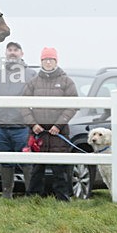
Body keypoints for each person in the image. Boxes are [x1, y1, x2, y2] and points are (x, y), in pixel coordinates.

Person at [21, 47, 78, 201]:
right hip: (38, 132)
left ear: (56, 61)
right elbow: (23, 105)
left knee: (60, 168)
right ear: (41, 61)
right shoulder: (33, 82)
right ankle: (33, 198)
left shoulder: (66, 81)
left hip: (58, 133)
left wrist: (58, 125)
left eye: (50, 59)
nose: (47, 62)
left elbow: (73, 105)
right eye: (45, 59)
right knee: (37, 168)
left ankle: (63, 199)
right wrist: (33, 125)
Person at [0, 41, 36, 198]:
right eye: (10, 50)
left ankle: (30, 194)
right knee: (5, 162)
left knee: (26, 162)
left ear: (22, 53)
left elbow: (37, 98)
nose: (12, 52)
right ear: (5, 53)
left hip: (22, 127)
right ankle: (7, 194)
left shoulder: (31, 74)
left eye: (16, 50)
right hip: (1, 127)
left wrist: (30, 118)